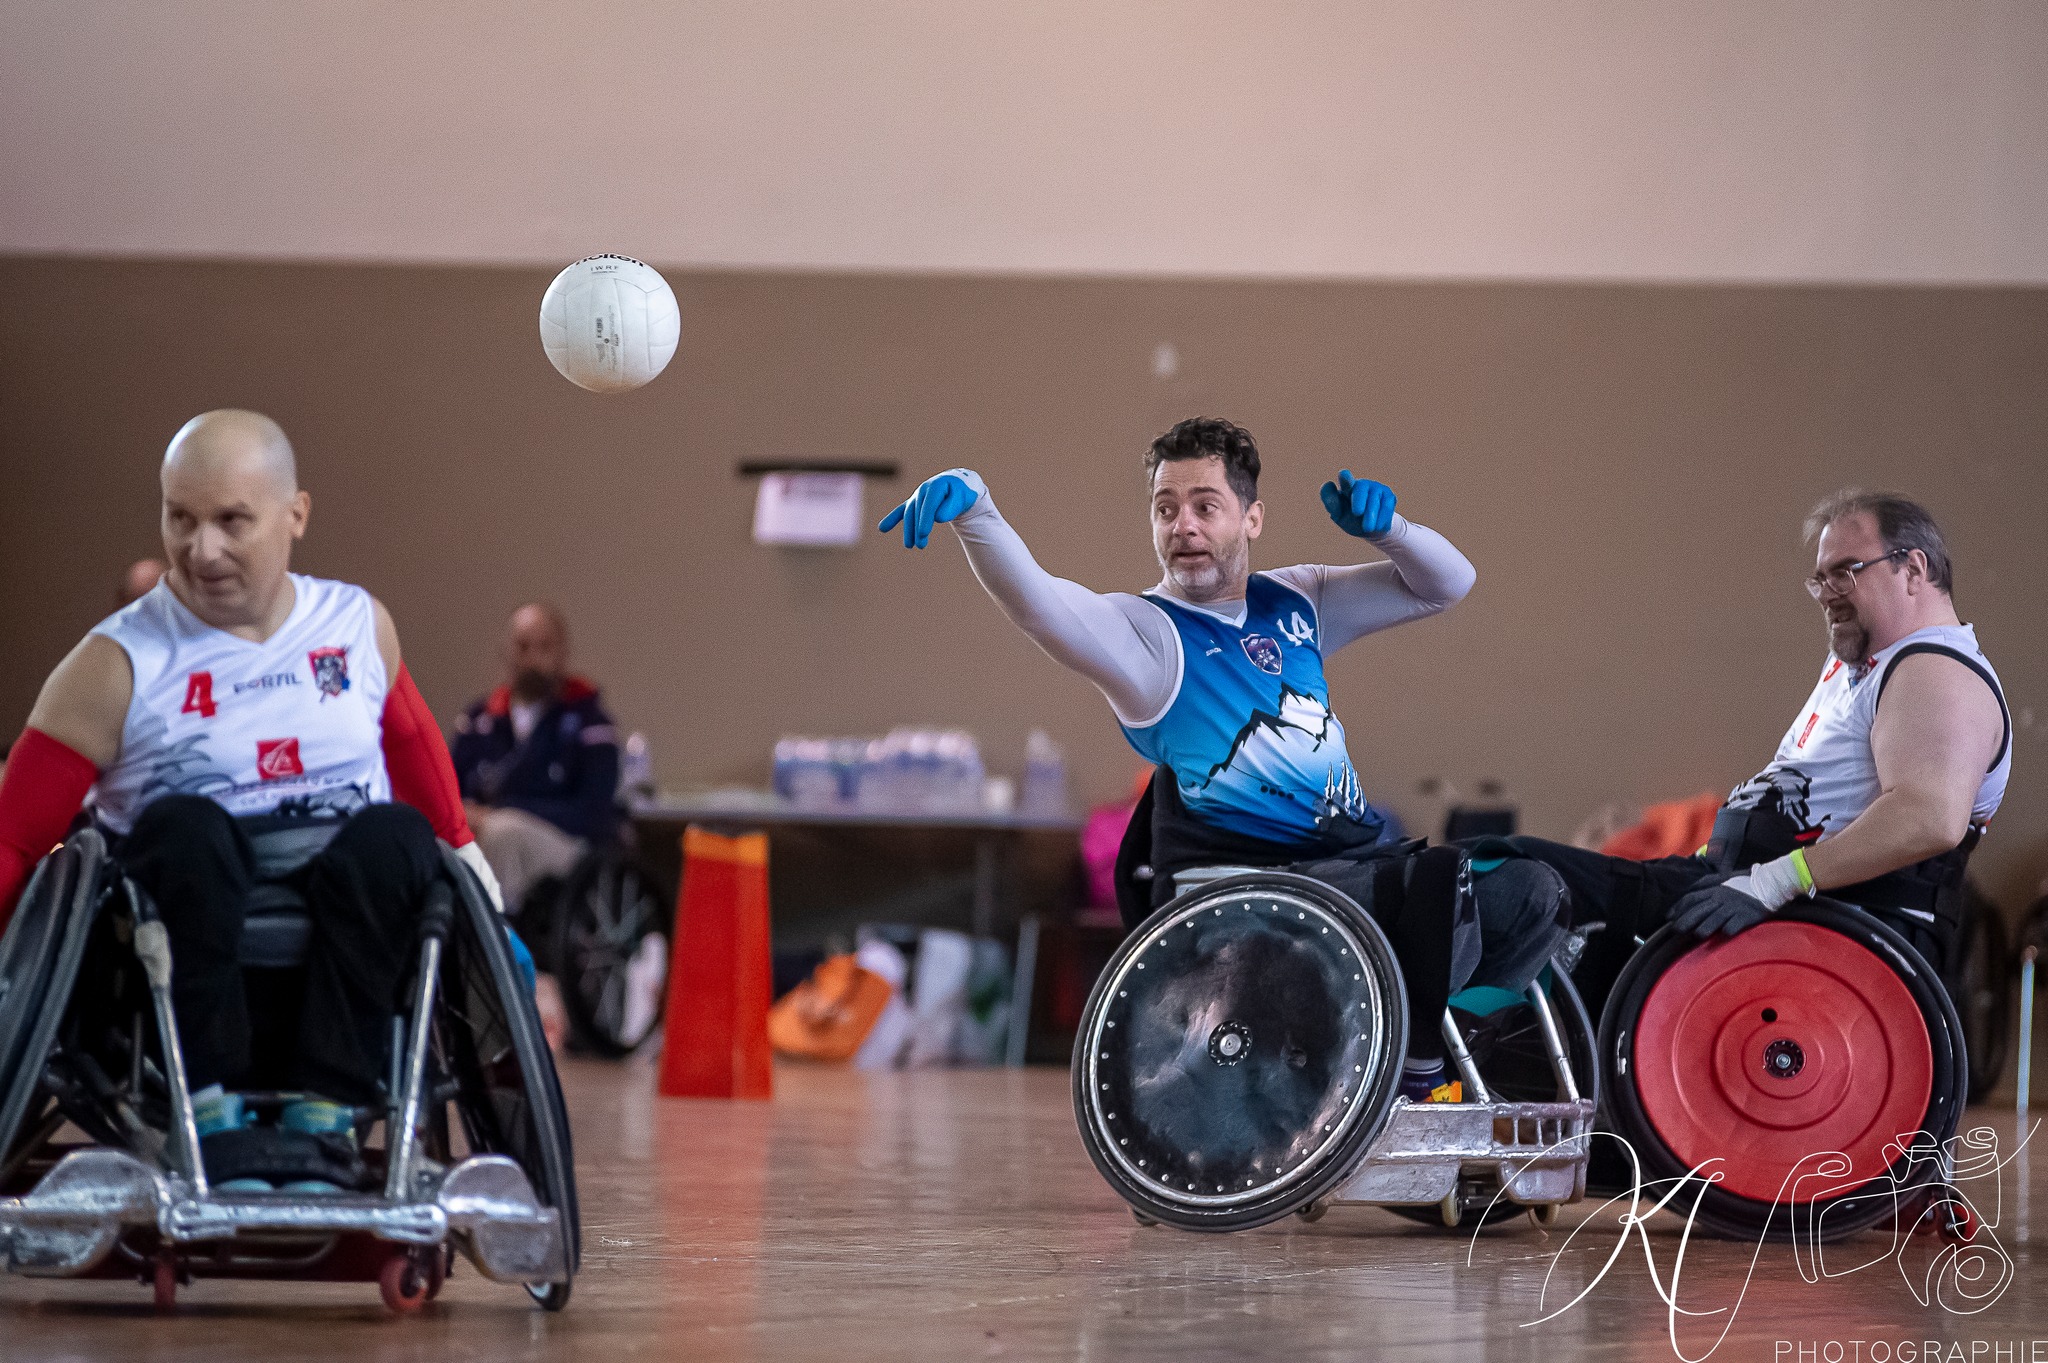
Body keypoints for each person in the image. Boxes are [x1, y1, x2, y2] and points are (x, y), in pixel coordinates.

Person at [881, 416, 1567, 1100]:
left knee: (1533, 893)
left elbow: (1447, 583)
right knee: (1438, 883)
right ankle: (1414, 1073)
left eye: (1205, 506)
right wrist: (977, 512)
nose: (1183, 526)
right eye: (1166, 509)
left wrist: (1392, 531)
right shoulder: (1145, 636)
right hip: (1249, 893)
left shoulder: (1297, 600)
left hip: (1349, 868)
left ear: (1252, 519)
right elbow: (1041, 606)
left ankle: (1442, 1048)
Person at [0, 409, 503, 1192]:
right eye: (181, 518)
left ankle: (327, 1107)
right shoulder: (112, 663)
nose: (201, 549)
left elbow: (410, 744)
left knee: (398, 836)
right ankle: (209, 1107)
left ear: (295, 514)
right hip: (175, 951)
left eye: (231, 521)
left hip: (351, 949)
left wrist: (464, 851)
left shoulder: (357, 626)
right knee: (186, 830)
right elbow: (15, 836)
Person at [1504, 489, 2010, 1012]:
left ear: (1913, 569)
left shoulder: (1936, 672)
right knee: (1499, 866)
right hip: (1741, 889)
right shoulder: (1865, 664)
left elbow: (1930, 819)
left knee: (1510, 879)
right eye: (1820, 579)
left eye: (1846, 572)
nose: (1827, 594)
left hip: (1818, 925)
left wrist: (1775, 882)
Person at [451, 602, 621, 915]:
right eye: (522, 647)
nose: (532, 659)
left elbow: (593, 814)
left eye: (544, 647)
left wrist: (501, 811)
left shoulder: (590, 723)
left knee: (503, 833)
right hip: (479, 834)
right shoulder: (479, 720)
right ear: (506, 652)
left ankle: (496, 935)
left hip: (567, 845)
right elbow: (454, 787)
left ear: (563, 653)